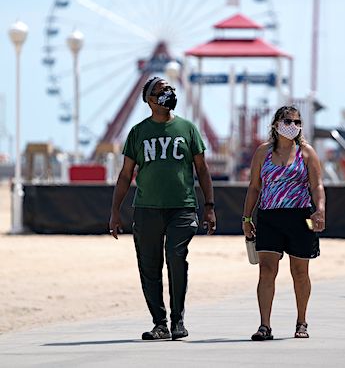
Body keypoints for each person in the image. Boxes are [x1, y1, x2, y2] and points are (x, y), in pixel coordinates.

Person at [109, 76, 216, 341]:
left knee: (176, 259)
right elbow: (125, 175)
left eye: (170, 89)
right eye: (161, 91)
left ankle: (178, 320)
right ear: (149, 100)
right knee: (149, 266)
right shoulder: (138, 132)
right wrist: (115, 211)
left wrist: (210, 207)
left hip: (182, 207)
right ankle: (160, 323)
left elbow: (202, 170)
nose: (168, 93)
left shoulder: (188, 129)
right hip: (146, 208)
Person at [242, 105, 326, 341]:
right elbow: (254, 187)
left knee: (300, 272)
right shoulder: (263, 152)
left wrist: (319, 210)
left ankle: (301, 321)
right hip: (269, 216)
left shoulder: (306, 152)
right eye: (288, 121)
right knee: (266, 270)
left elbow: (317, 185)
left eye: (297, 122)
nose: (293, 126)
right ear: (276, 124)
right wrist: (247, 218)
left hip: (301, 217)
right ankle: (264, 325)